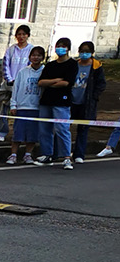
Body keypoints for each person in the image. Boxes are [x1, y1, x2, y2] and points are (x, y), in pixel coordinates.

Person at [35, 38, 77, 168]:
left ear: (68, 48)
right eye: (58, 46)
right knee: (44, 129)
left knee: (62, 129)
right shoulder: (50, 65)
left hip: (62, 101)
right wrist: (55, 81)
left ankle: (66, 157)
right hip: (46, 100)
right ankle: (47, 154)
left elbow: (66, 83)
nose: (60, 49)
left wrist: (51, 83)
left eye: (63, 46)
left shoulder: (72, 64)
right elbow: (41, 82)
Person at [5, 45, 45, 166]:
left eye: (38, 55)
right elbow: (16, 89)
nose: (35, 58)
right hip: (22, 106)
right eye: (33, 55)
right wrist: (13, 105)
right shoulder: (23, 72)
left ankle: (28, 154)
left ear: (43, 57)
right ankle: (13, 154)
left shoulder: (45, 72)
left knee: (32, 134)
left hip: (36, 108)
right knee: (18, 132)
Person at [68, 41, 107, 162]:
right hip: (71, 101)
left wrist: (94, 96)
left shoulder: (96, 67)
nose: (84, 54)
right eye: (82, 51)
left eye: (87, 51)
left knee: (83, 129)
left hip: (87, 103)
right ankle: (62, 152)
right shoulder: (74, 65)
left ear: (92, 53)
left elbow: (101, 84)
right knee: (64, 127)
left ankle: (79, 154)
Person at [0, 25, 33, 142]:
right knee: (4, 109)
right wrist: (9, 80)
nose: (21, 37)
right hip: (9, 84)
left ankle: (20, 134)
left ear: (28, 35)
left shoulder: (31, 50)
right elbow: (5, 65)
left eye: (24, 34)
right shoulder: (11, 49)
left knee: (22, 110)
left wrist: (22, 82)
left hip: (24, 85)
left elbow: (30, 67)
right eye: (19, 34)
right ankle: (2, 132)